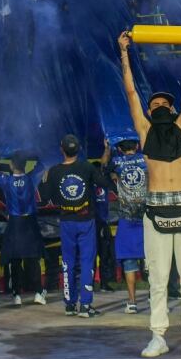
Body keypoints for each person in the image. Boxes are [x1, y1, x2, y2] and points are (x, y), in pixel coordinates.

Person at [118, 31, 181, 358]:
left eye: (164, 103)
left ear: (172, 109)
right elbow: (131, 91)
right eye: (154, 104)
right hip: (155, 210)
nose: (159, 105)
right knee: (158, 279)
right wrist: (124, 53)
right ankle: (157, 336)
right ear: (149, 111)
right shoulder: (145, 131)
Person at [38, 134, 108, 319]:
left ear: (61, 149)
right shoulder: (86, 167)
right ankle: (85, 305)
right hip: (86, 221)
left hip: (66, 222)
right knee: (86, 262)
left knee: (68, 262)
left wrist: (44, 179)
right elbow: (102, 182)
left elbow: (45, 197)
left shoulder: (54, 171)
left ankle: (69, 305)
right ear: (79, 149)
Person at [0, 150, 47, 307]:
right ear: (25, 165)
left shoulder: (6, 180)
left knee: (14, 258)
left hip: (14, 223)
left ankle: (17, 295)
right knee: (33, 257)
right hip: (30, 223)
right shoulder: (31, 178)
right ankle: (38, 293)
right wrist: (36, 149)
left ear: (11, 165)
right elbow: (42, 164)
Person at [107, 138, 148, 314]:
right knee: (152, 261)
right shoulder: (146, 159)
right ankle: (155, 299)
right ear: (137, 146)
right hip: (147, 217)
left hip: (127, 218)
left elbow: (104, 166)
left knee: (129, 262)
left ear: (120, 149)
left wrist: (107, 148)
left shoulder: (117, 162)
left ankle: (132, 302)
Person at [93, 145, 117, 293]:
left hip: (103, 222)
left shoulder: (105, 180)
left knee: (105, 254)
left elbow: (105, 165)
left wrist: (107, 149)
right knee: (91, 255)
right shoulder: (88, 183)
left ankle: (104, 283)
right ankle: (90, 283)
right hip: (93, 223)